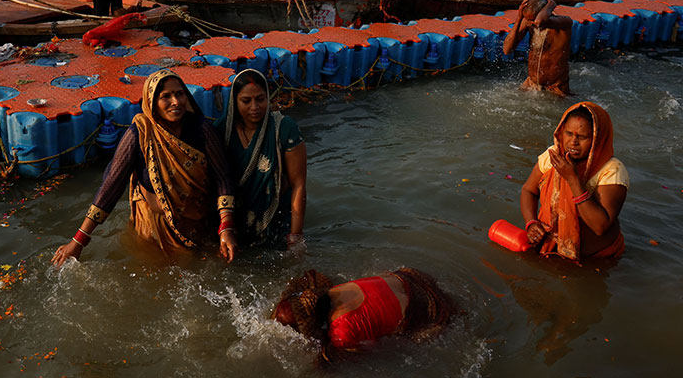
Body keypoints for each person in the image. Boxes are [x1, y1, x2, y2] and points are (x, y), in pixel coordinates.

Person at [51, 69, 239, 266]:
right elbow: (112, 186)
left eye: (179, 93)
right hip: (153, 227)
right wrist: (79, 240)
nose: (175, 101)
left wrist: (226, 227)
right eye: (165, 96)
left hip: (198, 223)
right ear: (151, 102)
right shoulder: (140, 133)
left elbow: (223, 177)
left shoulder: (201, 129)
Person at [520, 101, 629, 261]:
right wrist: (531, 223)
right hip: (551, 251)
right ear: (561, 132)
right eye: (569, 134)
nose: (573, 142)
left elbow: (600, 226)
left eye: (583, 137)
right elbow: (529, 190)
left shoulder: (612, 171)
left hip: (597, 260)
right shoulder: (553, 157)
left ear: (597, 139)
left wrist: (572, 179)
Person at [213, 69, 307, 248]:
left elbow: (298, 185)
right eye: (246, 101)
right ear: (234, 101)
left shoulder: (284, 129)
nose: (255, 107)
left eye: (260, 99)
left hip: (276, 220)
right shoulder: (222, 131)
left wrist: (295, 237)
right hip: (234, 222)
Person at [272, 267, 455, 359]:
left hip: (430, 313)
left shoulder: (341, 334)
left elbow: (374, 349)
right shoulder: (331, 291)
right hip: (412, 277)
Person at [502, 0, 572, 97]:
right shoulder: (528, 22)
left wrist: (550, 4)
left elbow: (539, 21)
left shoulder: (563, 23)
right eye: (528, 19)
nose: (531, 23)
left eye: (532, 20)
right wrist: (519, 18)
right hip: (531, 83)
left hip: (556, 87)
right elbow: (506, 49)